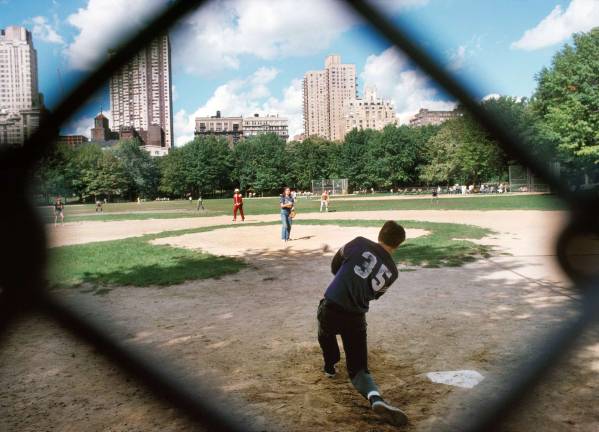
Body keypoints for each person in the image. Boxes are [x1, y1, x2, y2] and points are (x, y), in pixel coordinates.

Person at [317, 221, 408, 426]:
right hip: (356, 317)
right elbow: (374, 295)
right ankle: (375, 397)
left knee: (325, 331)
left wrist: (343, 278)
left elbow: (335, 265)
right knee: (359, 369)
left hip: (332, 307)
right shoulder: (393, 272)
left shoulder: (359, 242)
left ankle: (330, 366)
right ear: (398, 245)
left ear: (380, 234)